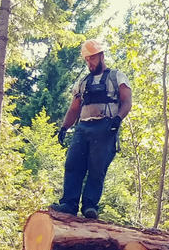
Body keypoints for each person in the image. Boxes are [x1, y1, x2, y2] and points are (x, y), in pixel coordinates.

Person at [50, 39, 132, 219]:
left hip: (106, 125)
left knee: (97, 167)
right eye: (87, 59)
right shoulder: (82, 83)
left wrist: (117, 120)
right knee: (73, 164)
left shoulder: (117, 77)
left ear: (102, 56)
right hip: (83, 126)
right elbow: (74, 109)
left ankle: (90, 205)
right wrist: (64, 127)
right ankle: (69, 203)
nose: (90, 62)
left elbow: (127, 101)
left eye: (93, 58)